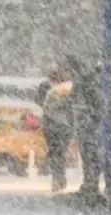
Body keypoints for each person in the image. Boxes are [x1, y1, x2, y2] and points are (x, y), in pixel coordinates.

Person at [69, 58, 104, 198]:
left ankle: (90, 184)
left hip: (88, 125)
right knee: (92, 156)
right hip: (92, 125)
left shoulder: (84, 82)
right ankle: (91, 184)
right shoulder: (92, 82)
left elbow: (73, 100)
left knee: (90, 156)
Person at [42, 64, 75, 192]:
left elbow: (46, 109)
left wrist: (46, 125)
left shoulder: (53, 92)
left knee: (56, 154)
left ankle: (58, 179)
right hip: (66, 127)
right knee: (60, 153)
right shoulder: (71, 89)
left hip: (53, 127)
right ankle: (60, 178)